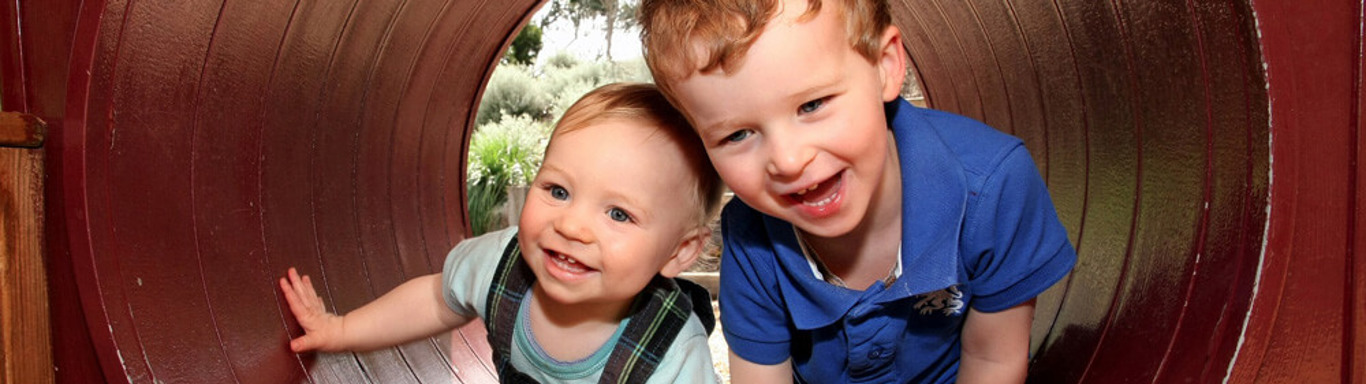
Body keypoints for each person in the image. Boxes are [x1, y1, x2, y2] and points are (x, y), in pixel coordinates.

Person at [638, 0, 1078, 382]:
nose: (789, 160)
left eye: (812, 105)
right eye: (737, 135)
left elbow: (993, 358)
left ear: (885, 67)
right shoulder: (753, 239)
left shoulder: (992, 187)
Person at [279, 83, 725, 383]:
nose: (571, 226)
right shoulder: (498, 263)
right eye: (558, 190)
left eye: (619, 215)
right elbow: (437, 300)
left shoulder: (673, 354)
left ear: (681, 251)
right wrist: (339, 330)